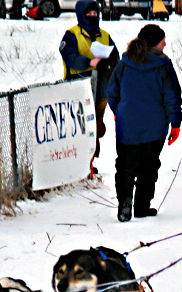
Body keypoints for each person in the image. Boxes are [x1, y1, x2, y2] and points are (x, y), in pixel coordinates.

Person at [107, 24, 182, 222]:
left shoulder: (124, 64)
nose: (165, 43)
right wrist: (175, 123)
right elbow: (172, 96)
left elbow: (112, 92)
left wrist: (119, 112)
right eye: (162, 40)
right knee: (148, 167)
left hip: (127, 126)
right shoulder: (163, 66)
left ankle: (125, 205)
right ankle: (141, 206)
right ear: (155, 43)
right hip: (154, 127)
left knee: (125, 166)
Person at [59, 0, 120, 176]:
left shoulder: (105, 35)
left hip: (101, 90)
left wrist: (109, 62)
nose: (93, 17)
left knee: (93, 125)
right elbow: (69, 57)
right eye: (89, 14)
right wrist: (89, 63)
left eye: (95, 14)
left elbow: (116, 58)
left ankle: (90, 163)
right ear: (81, 14)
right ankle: (84, 164)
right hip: (77, 89)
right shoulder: (71, 35)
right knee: (82, 126)